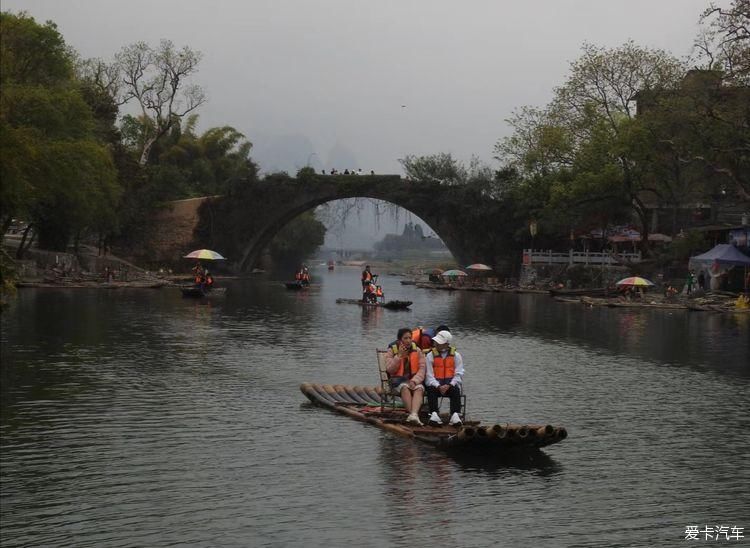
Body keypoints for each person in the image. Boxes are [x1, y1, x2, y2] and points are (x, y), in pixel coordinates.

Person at [386, 328, 426, 425]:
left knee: (419, 388)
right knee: (404, 388)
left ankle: (413, 415)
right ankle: (413, 414)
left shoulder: (417, 349)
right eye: (405, 338)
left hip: (413, 380)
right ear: (400, 340)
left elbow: (422, 369)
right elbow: (390, 370)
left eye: (410, 338)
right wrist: (399, 356)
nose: (408, 340)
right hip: (398, 381)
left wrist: (415, 381)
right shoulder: (392, 350)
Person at [425, 330, 464, 426]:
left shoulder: (456, 356)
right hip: (436, 386)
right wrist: (438, 386)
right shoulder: (430, 356)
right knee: (430, 389)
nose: (436, 344)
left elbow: (458, 374)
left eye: (439, 342)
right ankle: (433, 414)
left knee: (455, 390)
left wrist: (449, 385)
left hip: (450, 385)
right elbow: (429, 376)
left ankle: (455, 414)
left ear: (447, 344)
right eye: (436, 342)